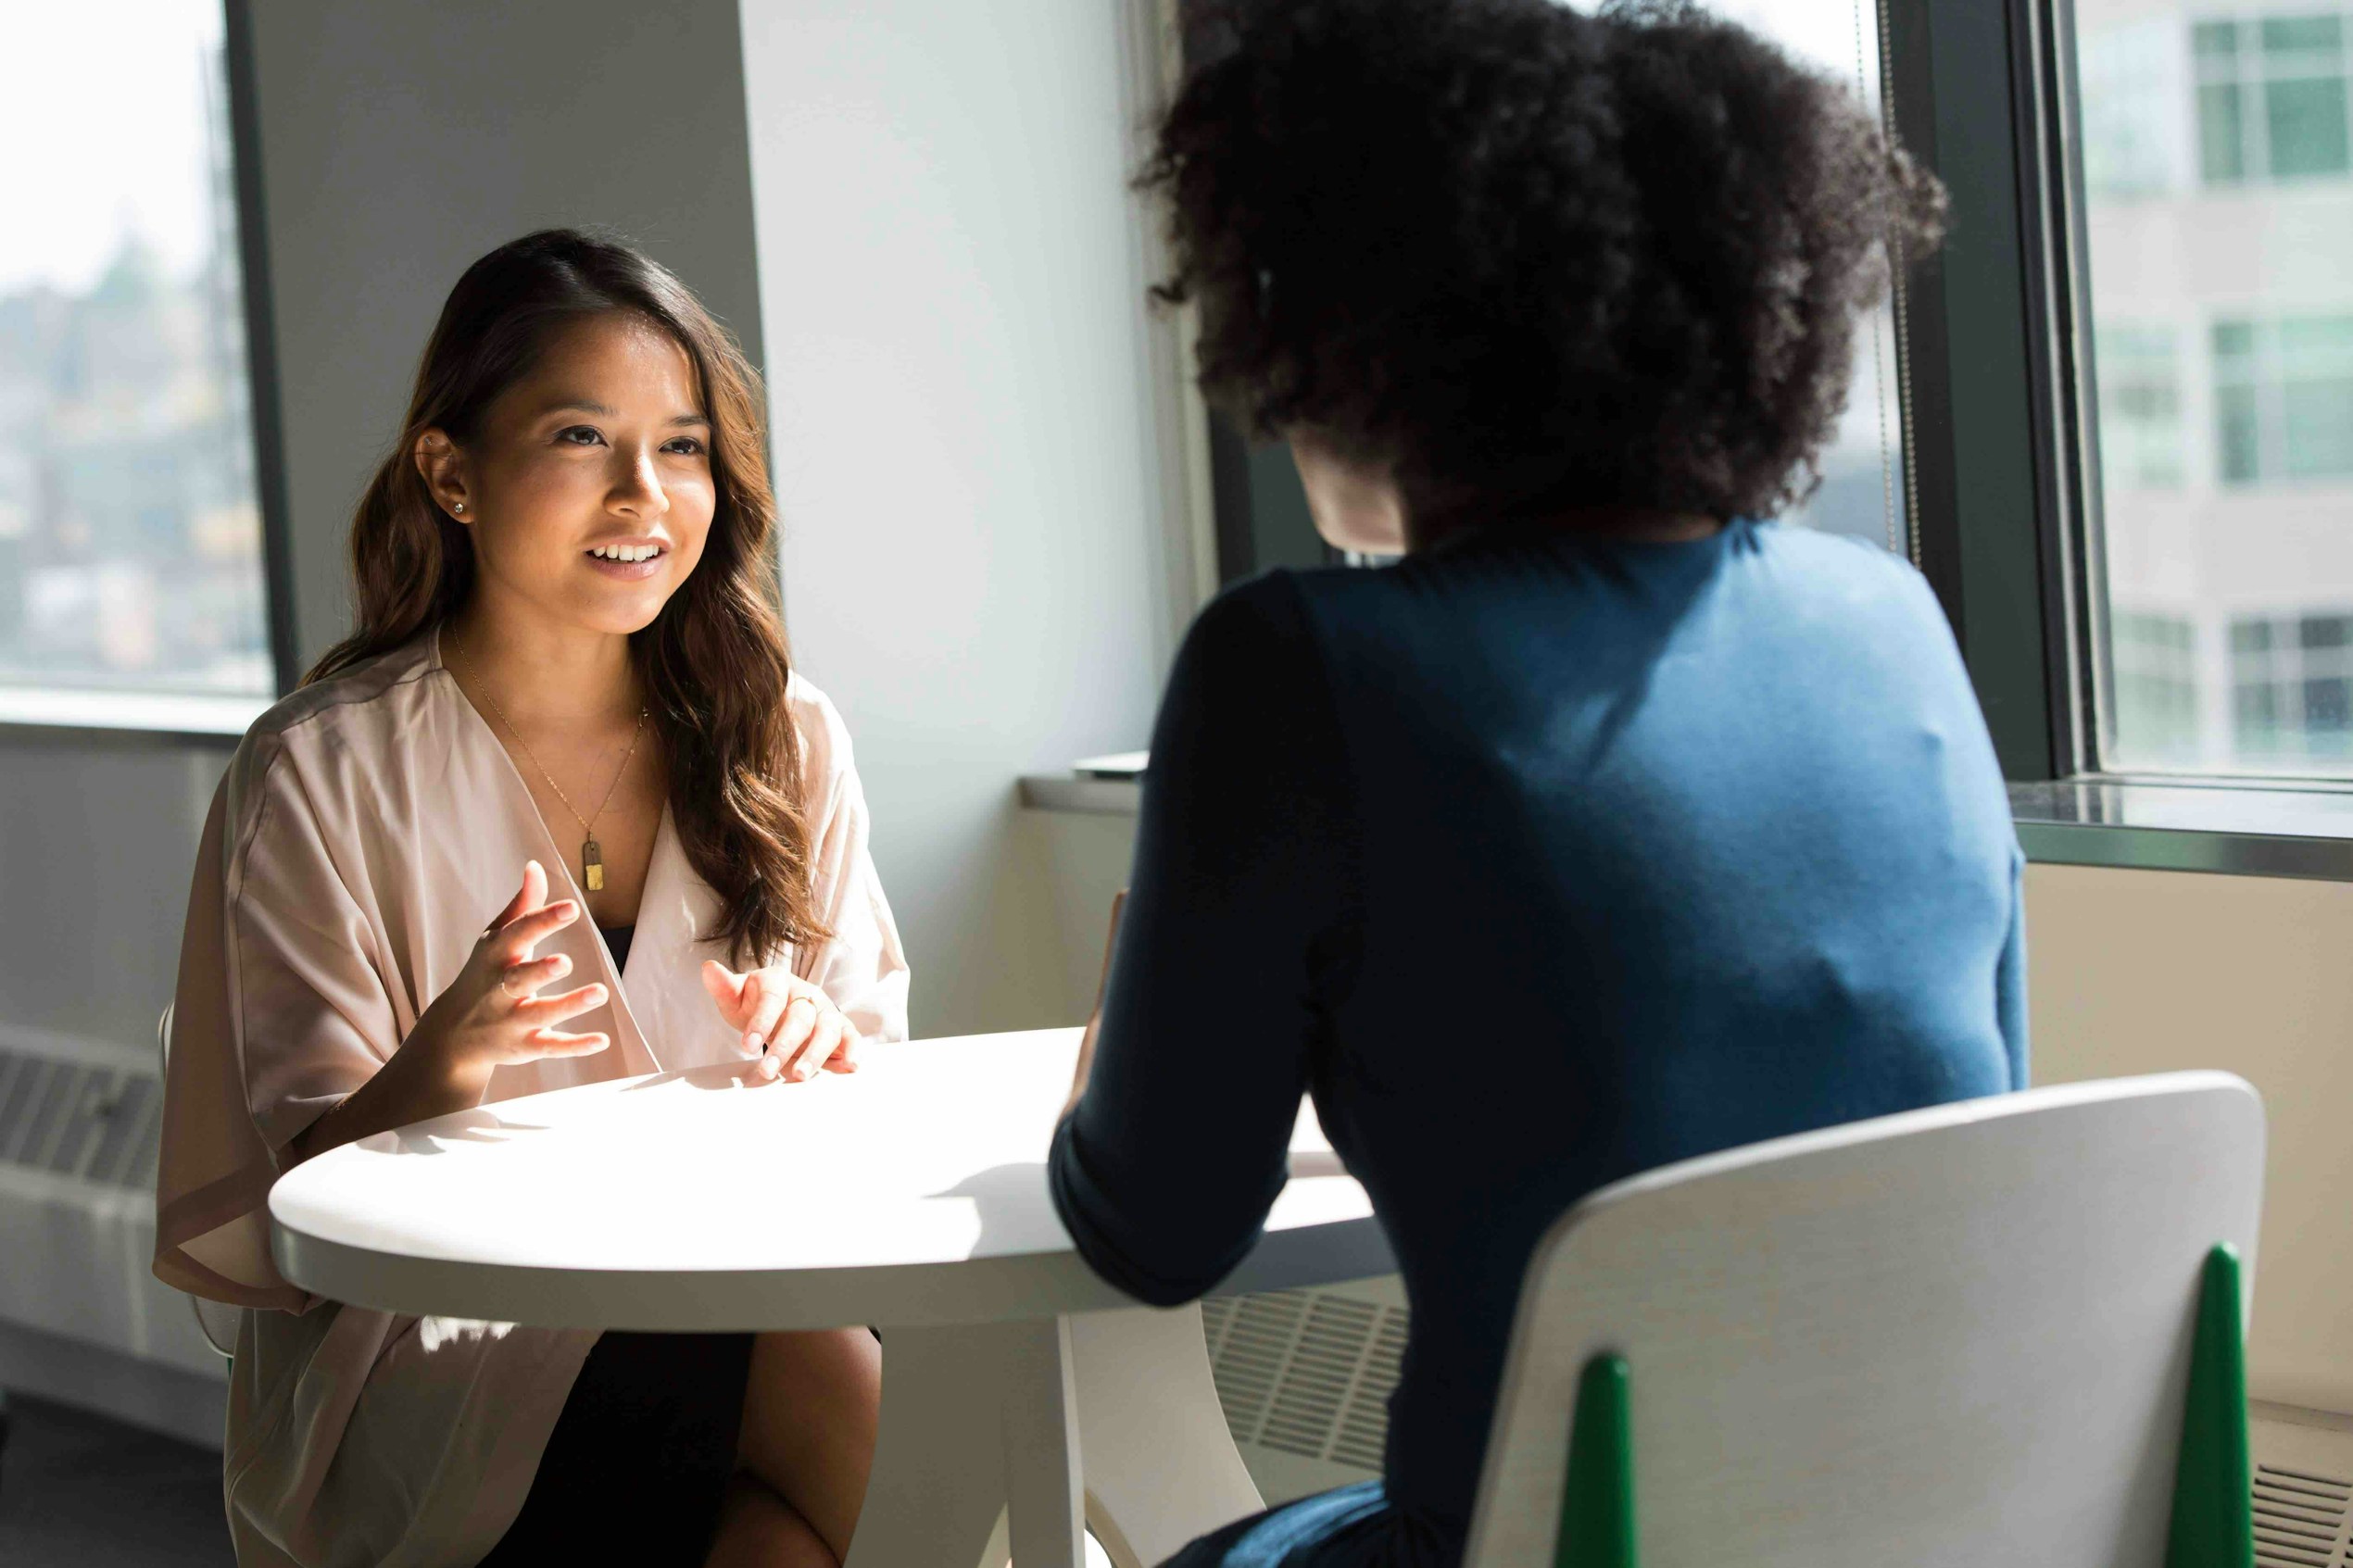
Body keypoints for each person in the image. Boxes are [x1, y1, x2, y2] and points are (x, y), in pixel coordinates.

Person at [1048, 3, 2019, 1564]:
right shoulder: (1894, 625)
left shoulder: (1297, 665)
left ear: (1357, 334)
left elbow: (1156, 1233)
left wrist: (1118, 1073)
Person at [153, 230, 908, 1568]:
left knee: (785, 1537)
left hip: (751, 1296)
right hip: (436, 1368)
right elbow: (296, 1224)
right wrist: (433, 1072)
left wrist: (824, 1047)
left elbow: (878, 1099)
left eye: (682, 446)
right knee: (842, 1387)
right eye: (581, 438)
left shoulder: (786, 739)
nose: (646, 495)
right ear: (451, 472)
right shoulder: (318, 773)